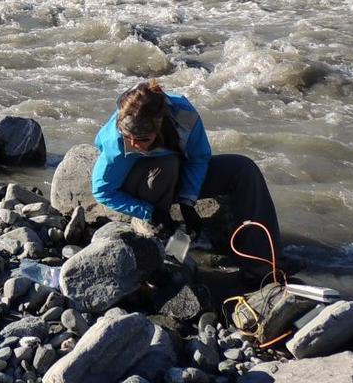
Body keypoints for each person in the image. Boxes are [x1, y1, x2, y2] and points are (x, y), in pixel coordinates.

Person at [90, 78, 281, 267]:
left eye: (142, 139)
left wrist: (187, 202)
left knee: (243, 168)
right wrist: (149, 212)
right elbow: (103, 191)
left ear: (159, 126)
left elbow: (198, 158)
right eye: (128, 137)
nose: (133, 144)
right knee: (168, 162)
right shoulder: (116, 141)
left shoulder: (185, 116)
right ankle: (151, 227)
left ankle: (261, 260)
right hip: (141, 184)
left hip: (174, 176)